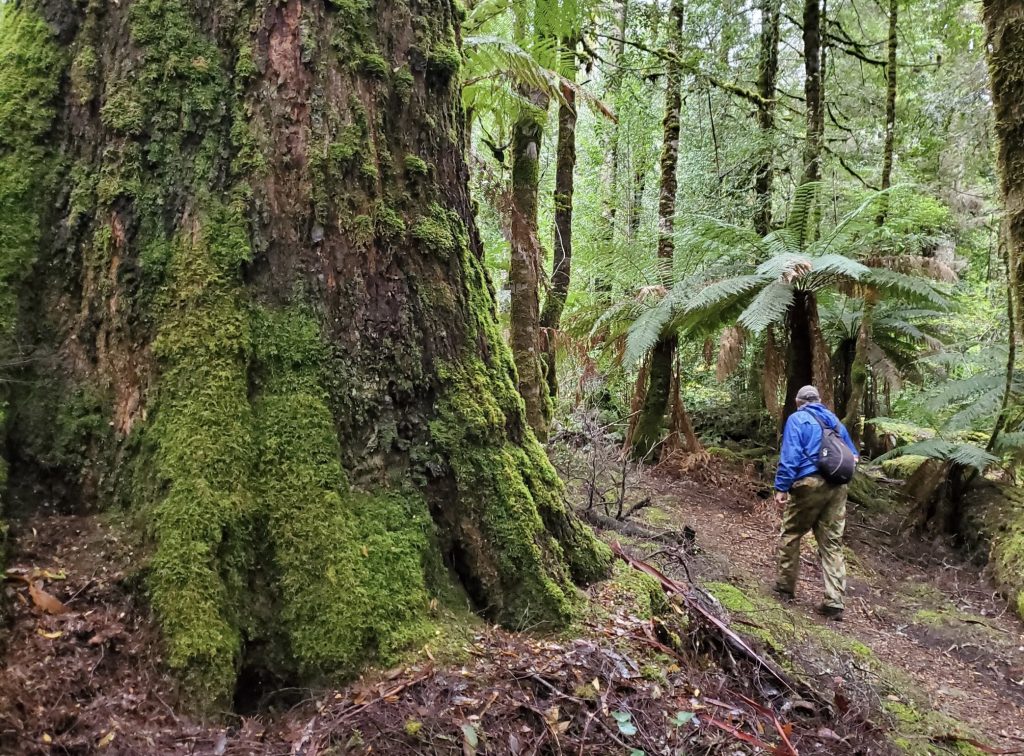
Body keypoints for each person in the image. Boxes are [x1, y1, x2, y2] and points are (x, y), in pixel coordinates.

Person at [773, 385, 859, 620]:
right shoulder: (834, 422)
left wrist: (781, 487)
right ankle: (834, 601)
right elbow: (853, 456)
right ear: (819, 400)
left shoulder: (798, 418)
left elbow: (790, 455)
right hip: (838, 486)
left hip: (809, 483)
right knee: (831, 543)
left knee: (791, 533)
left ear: (799, 401)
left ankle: (784, 587)